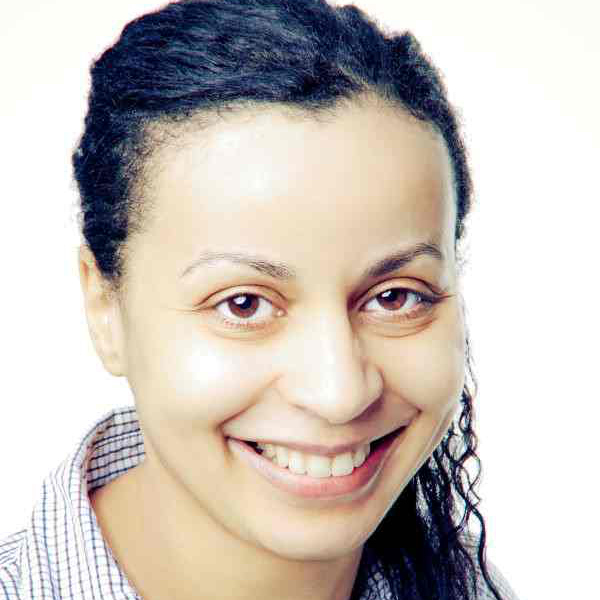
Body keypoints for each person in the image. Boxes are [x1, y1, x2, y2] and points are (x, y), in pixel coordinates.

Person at [0, 0, 522, 599]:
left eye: (395, 297)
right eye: (243, 304)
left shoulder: (472, 586)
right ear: (104, 307)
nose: (339, 394)